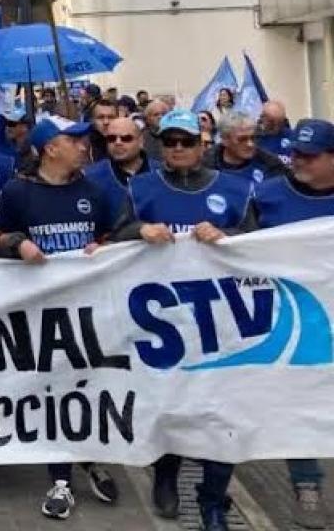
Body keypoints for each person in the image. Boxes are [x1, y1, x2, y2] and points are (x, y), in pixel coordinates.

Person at [112, 109, 256, 531]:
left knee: (222, 415)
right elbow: (115, 236)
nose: (177, 149)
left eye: (186, 141)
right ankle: (165, 476)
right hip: (164, 322)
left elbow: (261, 246)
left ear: (202, 144)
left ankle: (213, 500)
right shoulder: (141, 188)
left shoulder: (235, 189)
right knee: (169, 405)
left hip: (222, 322)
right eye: (170, 141)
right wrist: (139, 231)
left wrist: (230, 238)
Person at [0, 116, 121, 520]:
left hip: (88, 307)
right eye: (74, 140)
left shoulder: (94, 191)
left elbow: (113, 234)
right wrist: (18, 243)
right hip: (41, 312)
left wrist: (105, 247)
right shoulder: (18, 191)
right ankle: (61, 478)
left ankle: (90, 457)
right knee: (54, 392)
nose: (84, 146)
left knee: (91, 387)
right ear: (50, 149)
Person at [251, 118, 334, 529]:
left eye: (310, 156)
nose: (298, 161)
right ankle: (307, 484)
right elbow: (239, 247)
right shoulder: (267, 195)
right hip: (295, 321)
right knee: (298, 403)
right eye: (295, 153)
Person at [84, 116, 158, 214]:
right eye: (111, 138)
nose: (118, 142)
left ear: (141, 141)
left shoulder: (161, 173)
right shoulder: (91, 177)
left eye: (126, 138)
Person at [206, 111, 287, 185]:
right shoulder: (206, 163)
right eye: (242, 139)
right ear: (225, 140)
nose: (250, 144)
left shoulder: (271, 165)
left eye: (253, 137)